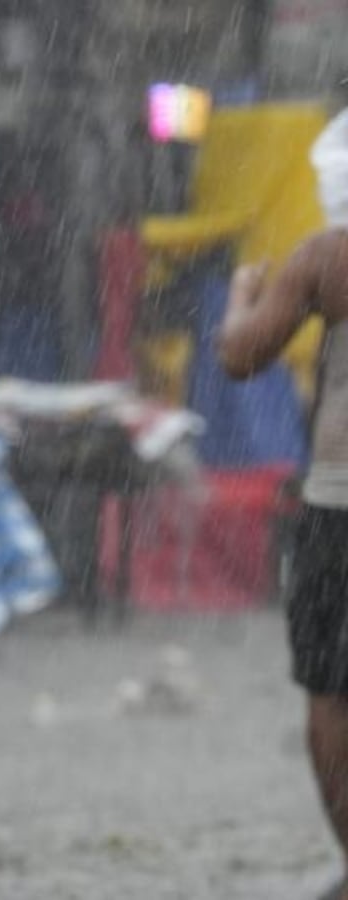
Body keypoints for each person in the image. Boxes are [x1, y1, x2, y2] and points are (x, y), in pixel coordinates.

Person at [221, 244, 348, 900]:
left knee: (330, 692)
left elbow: (240, 355)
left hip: (341, 500)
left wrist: (241, 295)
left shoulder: (330, 255)